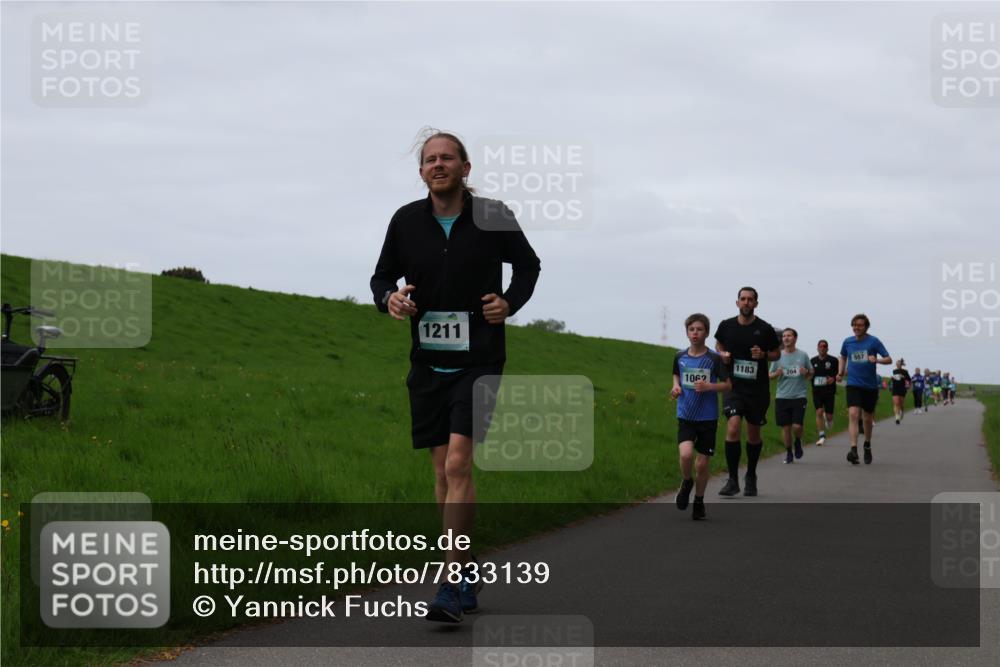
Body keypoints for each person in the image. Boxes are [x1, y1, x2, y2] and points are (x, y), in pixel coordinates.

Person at [370, 129, 541, 622]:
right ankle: (464, 571)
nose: (437, 165)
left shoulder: (492, 216)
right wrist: (390, 299)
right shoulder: (406, 221)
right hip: (427, 363)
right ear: (421, 171)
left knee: (458, 466)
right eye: (429, 160)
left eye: (447, 158)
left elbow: (528, 266)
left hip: (480, 361)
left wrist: (510, 302)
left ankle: (447, 584)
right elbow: (381, 276)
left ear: (466, 168)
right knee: (443, 474)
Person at [714, 287, 781, 496]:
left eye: (750, 300)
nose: (746, 302)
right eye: (743, 299)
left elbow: (776, 353)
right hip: (733, 387)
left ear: (756, 304)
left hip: (757, 389)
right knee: (733, 427)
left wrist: (763, 355)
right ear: (737, 303)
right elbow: (718, 344)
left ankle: (751, 474)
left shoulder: (765, 329)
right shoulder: (726, 326)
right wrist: (722, 354)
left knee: (753, 434)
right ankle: (732, 479)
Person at [671, 314, 731, 520]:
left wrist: (709, 386)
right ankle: (687, 482)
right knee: (686, 455)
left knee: (702, 464)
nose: (695, 333)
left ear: (706, 332)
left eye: (699, 329)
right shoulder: (680, 356)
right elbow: (676, 375)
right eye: (691, 329)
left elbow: (727, 385)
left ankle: (699, 500)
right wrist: (676, 387)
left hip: (707, 418)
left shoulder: (714, 359)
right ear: (687, 332)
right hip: (686, 415)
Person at [837, 314, 892, 465]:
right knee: (854, 414)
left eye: (859, 325)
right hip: (853, 384)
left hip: (869, 386)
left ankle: (867, 444)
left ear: (866, 327)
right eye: (854, 325)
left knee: (867, 419)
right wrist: (841, 371)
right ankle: (853, 450)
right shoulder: (848, 342)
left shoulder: (874, 341)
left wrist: (878, 360)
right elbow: (842, 356)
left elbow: (889, 359)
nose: (856, 328)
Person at [769, 328, 813, 463]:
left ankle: (798, 441)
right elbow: (769, 375)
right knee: (786, 427)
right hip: (782, 396)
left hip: (799, 395)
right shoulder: (778, 356)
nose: (786, 338)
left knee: (797, 426)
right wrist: (776, 374)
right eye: (784, 336)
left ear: (795, 338)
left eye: (789, 336)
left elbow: (811, 374)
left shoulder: (803, 355)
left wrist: (806, 372)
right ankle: (788, 453)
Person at [810, 339, 838, 445]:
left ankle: (828, 418)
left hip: (829, 392)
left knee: (829, 416)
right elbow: (809, 374)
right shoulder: (812, 361)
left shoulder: (833, 360)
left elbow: (839, 373)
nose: (822, 348)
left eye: (824, 346)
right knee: (819, 411)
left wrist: (833, 378)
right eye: (820, 346)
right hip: (817, 391)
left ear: (827, 348)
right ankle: (821, 435)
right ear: (817, 348)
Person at [890, 358, 911, 424]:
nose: (898, 365)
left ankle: (902, 411)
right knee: (896, 403)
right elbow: (893, 380)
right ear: (896, 365)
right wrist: (892, 378)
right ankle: (897, 417)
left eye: (899, 364)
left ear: (901, 365)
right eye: (897, 364)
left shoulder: (905, 371)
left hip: (902, 388)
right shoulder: (894, 371)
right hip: (895, 388)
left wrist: (903, 377)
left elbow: (909, 379)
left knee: (901, 404)